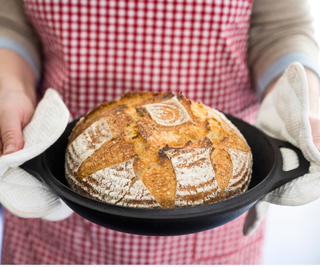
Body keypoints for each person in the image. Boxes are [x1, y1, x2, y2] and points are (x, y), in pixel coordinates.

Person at [0, 0, 319, 264]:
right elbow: (11, 25)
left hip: (215, 218)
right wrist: (9, 90)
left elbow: (280, 30)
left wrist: (301, 109)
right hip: (52, 213)